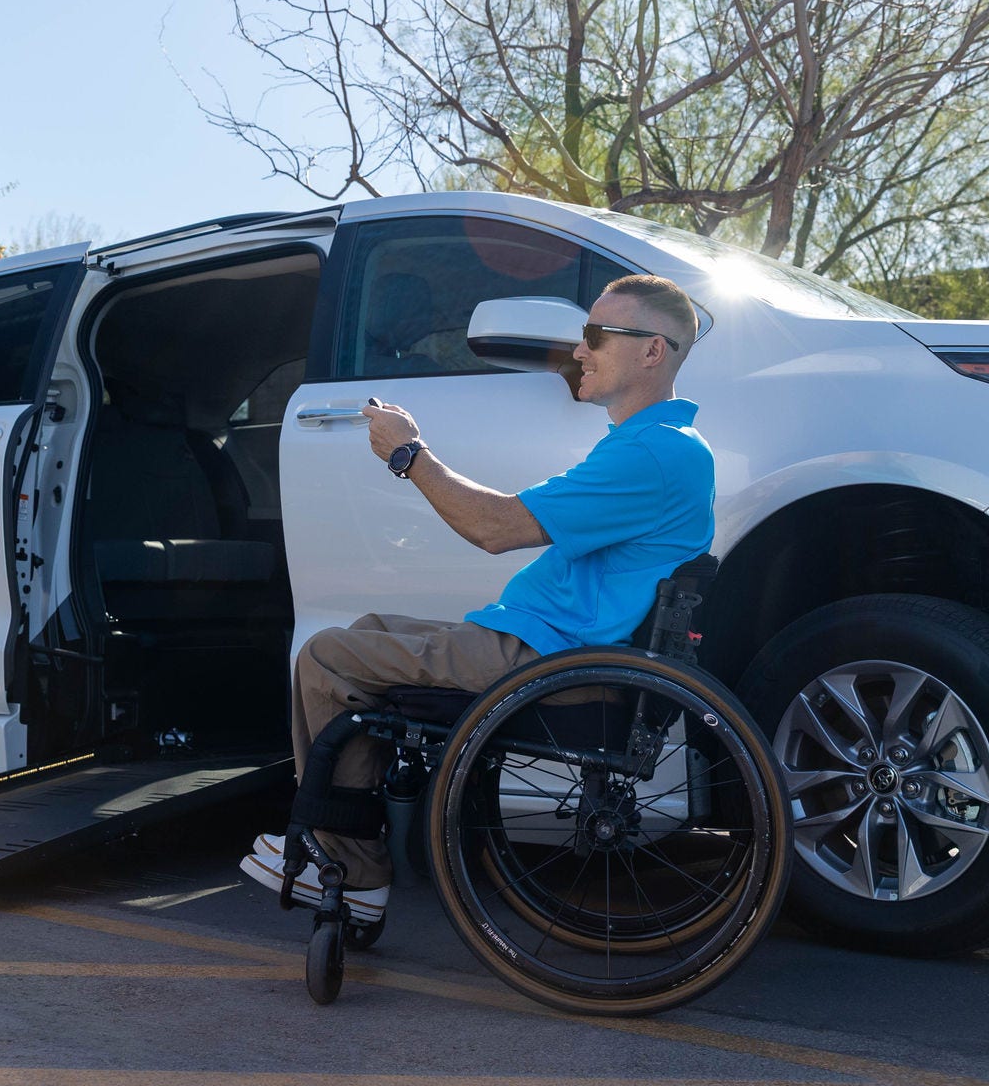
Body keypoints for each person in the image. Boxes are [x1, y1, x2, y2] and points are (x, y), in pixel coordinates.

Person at [240, 274, 715, 923]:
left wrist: (408, 454)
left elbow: (495, 528)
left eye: (596, 335)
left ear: (653, 350)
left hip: (552, 659)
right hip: (549, 644)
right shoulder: (656, 445)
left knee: (328, 657)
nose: (580, 350)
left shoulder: (654, 454)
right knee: (369, 627)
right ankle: (349, 844)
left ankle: (351, 867)